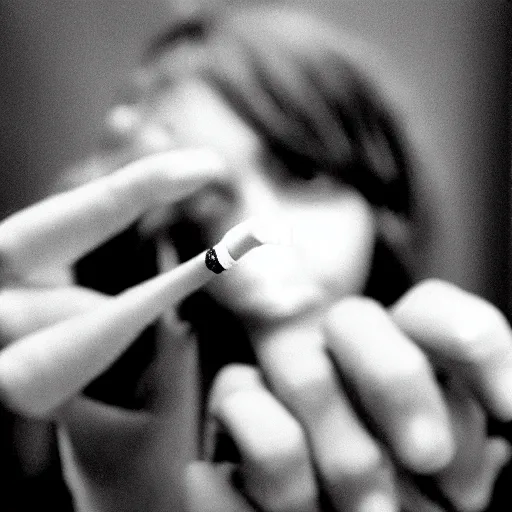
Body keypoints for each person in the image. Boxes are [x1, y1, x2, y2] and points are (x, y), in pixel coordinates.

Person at [0, 4, 510, 512]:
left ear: (383, 198)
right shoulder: (97, 431)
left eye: (303, 174)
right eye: (202, 202)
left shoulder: (472, 405)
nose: (263, 236)